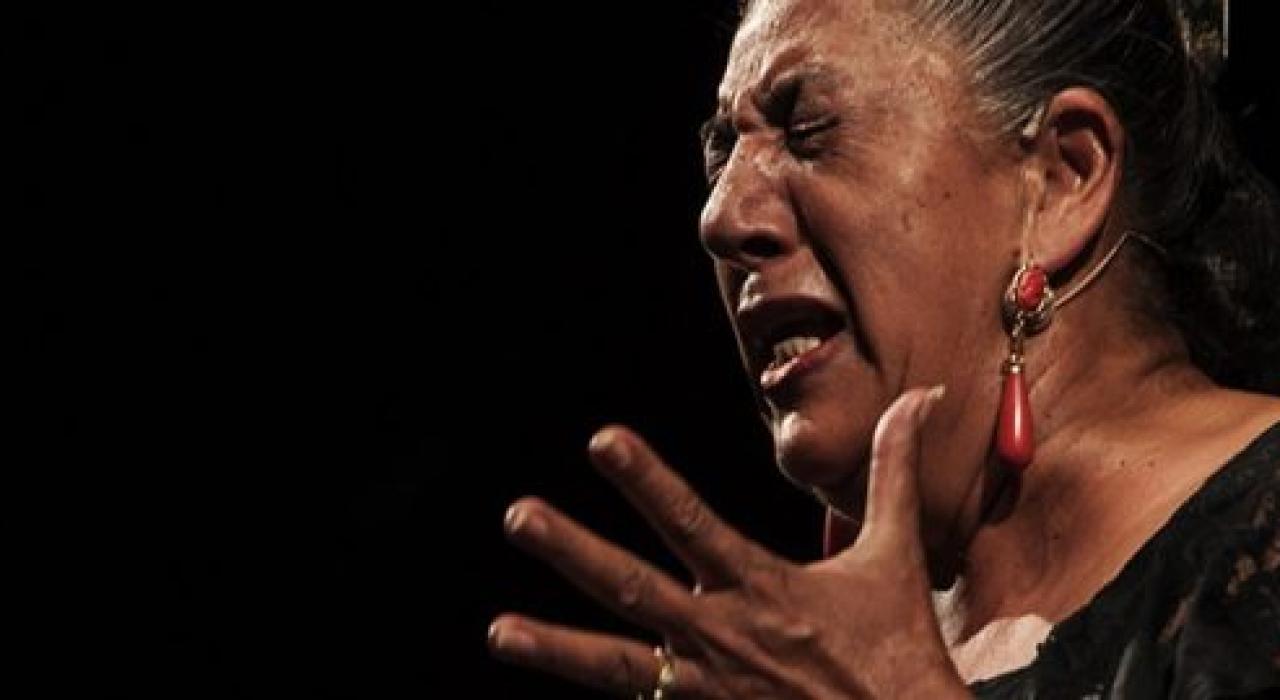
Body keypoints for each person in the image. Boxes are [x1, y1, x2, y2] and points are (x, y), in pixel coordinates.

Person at [487, 0, 1280, 696]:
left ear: (1060, 177)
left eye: (808, 131)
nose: (720, 218)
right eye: (721, 151)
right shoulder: (805, 664)